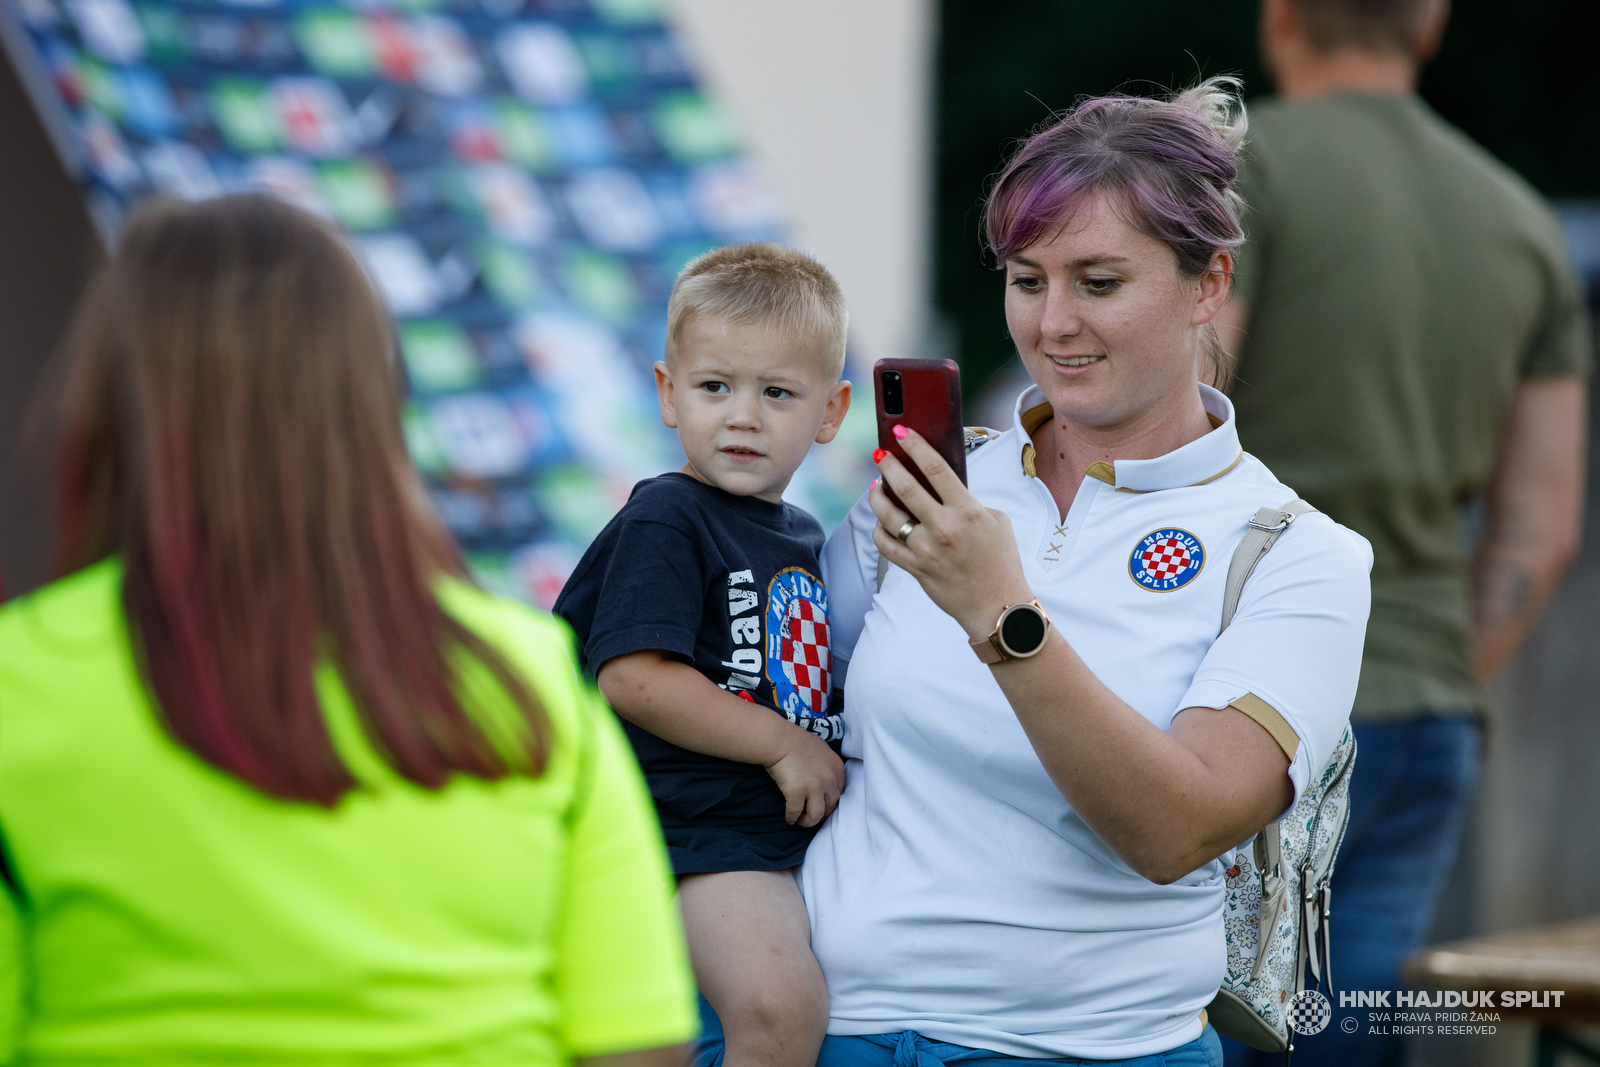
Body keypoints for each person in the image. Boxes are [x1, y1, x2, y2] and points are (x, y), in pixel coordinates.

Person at [689, 79, 1372, 1065]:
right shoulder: (934, 479)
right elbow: (779, 702)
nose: (1053, 323)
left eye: (1098, 282)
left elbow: (1174, 828)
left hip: (1084, 1048)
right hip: (827, 1028)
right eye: (1025, 278)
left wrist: (1001, 613)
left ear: (1208, 284)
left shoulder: (1295, 552)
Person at [0, 195, 696, 1067]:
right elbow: (638, 1048)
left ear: (109, 400)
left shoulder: (19, 681)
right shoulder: (529, 680)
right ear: (369, 402)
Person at [1213, 2, 1591, 1063]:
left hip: (1243, 706)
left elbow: (1176, 421)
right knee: (1344, 1036)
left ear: (1278, 14)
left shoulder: (1240, 176)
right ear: (1429, 25)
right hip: (1424, 698)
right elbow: (1538, 524)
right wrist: (1426, 671)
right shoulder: (1518, 218)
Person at [554, 244, 853, 1067]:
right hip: (685, 830)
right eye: (715, 386)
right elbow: (636, 677)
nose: (744, 415)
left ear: (831, 413)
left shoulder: (798, 533)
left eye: (778, 392)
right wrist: (785, 744)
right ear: (668, 393)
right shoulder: (670, 517)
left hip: (758, 834)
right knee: (780, 1007)